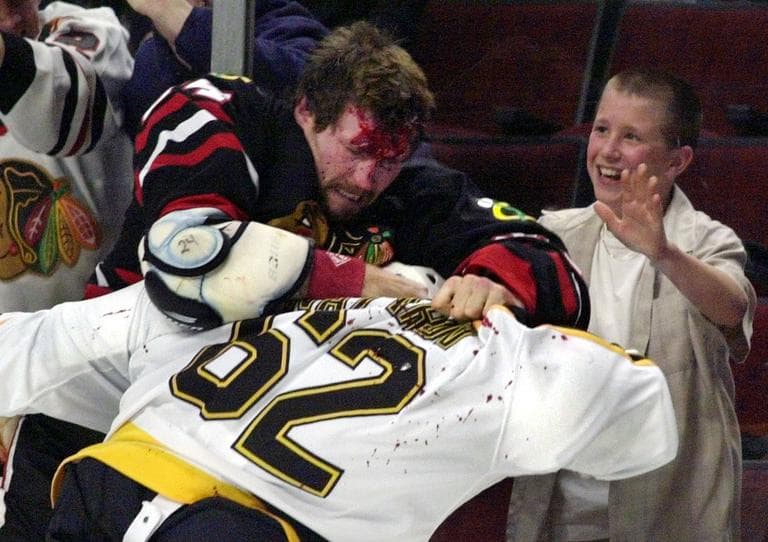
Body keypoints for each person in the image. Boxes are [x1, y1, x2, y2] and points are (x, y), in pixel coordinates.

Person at [0, 255, 676, 540]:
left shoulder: (307, 298)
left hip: (107, 481)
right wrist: (525, 328)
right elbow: (645, 419)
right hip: (237, 529)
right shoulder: (497, 357)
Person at [506, 68, 757, 541]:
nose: (608, 151)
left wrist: (662, 253)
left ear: (678, 161)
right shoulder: (555, 235)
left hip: (671, 508)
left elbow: (733, 309)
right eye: (601, 129)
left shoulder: (705, 240)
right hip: (562, 506)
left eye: (632, 137)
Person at [0, 0, 134, 537]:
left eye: (15, 2)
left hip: (85, 375)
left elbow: (66, 109)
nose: (10, 17)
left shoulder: (88, 32)